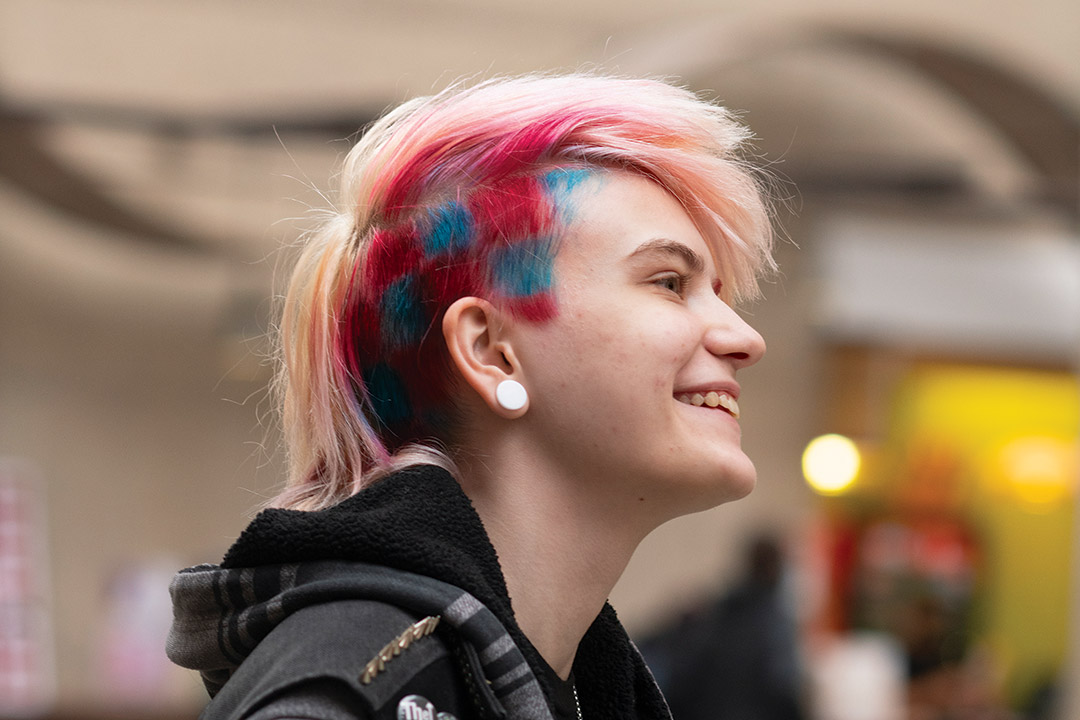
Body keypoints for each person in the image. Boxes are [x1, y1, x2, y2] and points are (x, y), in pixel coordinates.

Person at [166, 73, 775, 720]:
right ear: (489, 352)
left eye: (722, 296)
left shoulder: (578, 686)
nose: (744, 339)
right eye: (669, 282)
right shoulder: (353, 691)